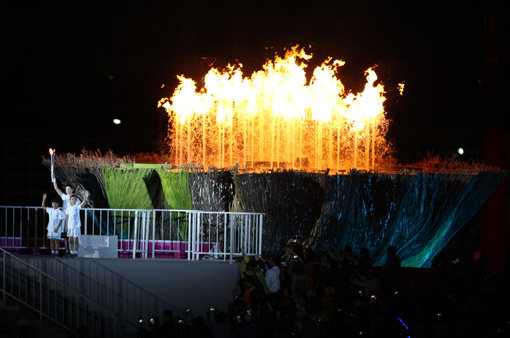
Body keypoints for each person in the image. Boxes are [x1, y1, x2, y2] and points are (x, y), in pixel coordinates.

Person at [53, 182, 80, 257]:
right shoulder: (64, 196)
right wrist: (54, 179)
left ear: (72, 190)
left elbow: (79, 207)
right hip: (64, 218)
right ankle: (67, 250)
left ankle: (73, 251)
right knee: (65, 234)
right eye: (66, 189)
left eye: (69, 189)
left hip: (72, 220)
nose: (67, 191)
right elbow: (56, 188)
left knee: (73, 236)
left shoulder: (75, 199)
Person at [65, 191, 89, 258]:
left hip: (76, 226)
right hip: (70, 227)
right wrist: (66, 226)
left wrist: (84, 196)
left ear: (76, 200)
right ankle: (71, 252)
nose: (73, 200)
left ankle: (75, 252)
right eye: (72, 199)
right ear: (70, 200)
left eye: (74, 199)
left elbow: (83, 202)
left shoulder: (77, 207)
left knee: (75, 240)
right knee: (70, 240)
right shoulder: (68, 209)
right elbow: (67, 218)